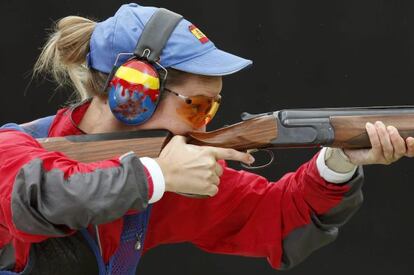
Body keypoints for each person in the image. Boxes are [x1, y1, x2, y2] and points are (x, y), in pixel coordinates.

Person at [0, 3, 413, 275]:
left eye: (210, 110)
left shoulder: (167, 169)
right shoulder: (13, 150)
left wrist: (339, 160)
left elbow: (279, 220)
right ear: (133, 94)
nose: (202, 124)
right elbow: (40, 198)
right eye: (195, 105)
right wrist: (156, 176)